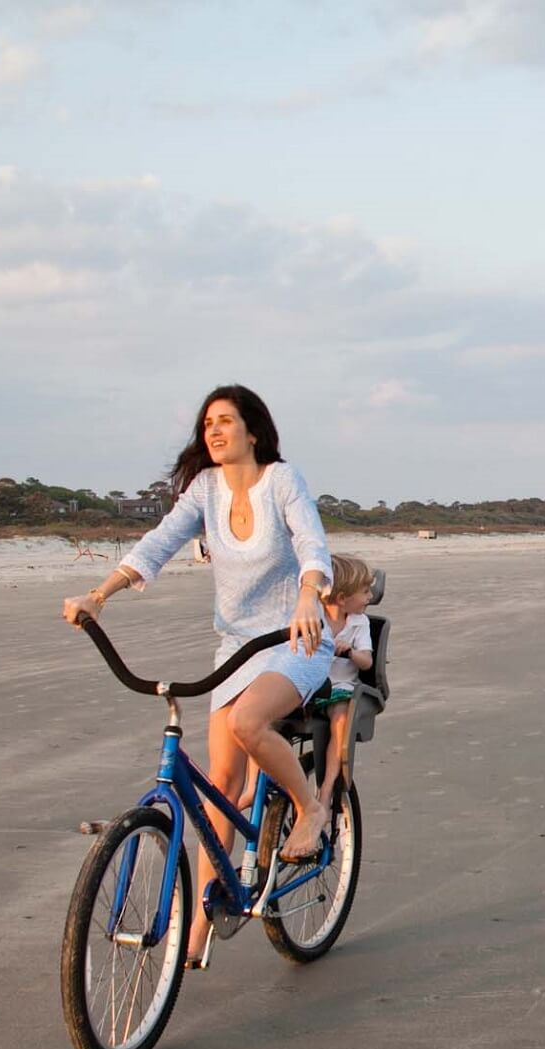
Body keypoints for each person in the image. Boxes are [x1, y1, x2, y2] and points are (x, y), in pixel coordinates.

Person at [62, 383, 335, 968]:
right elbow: (158, 542)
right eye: (207, 423)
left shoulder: (281, 481)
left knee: (248, 721)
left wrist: (311, 593)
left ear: (253, 431)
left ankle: (309, 808)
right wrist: (99, 594)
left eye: (226, 422)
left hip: (295, 639)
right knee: (219, 785)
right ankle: (204, 923)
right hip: (235, 647)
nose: (213, 431)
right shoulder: (204, 489)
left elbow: (313, 542)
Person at [316, 554, 375, 810]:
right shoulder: (315, 617)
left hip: (340, 687)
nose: (370, 597)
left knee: (340, 717)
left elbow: (367, 662)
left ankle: (327, 786)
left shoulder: (359, 623)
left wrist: (349, 651)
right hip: (312, 685)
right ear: (342, 598)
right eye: (365, 592)